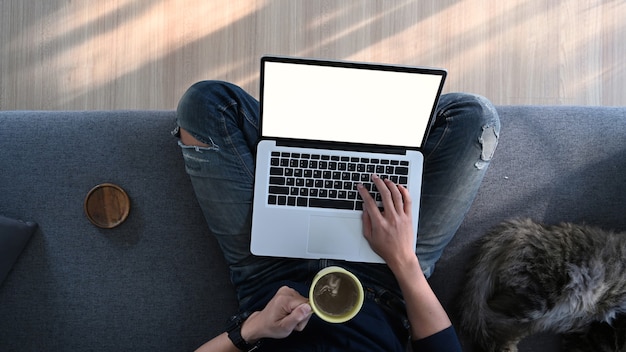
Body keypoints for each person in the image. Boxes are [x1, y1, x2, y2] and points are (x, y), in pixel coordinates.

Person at [174, 79, 500, 351]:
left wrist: (253, 327)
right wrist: (403, 260)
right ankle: (350, 149)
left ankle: (325, 148)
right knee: (476, 118)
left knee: (205, 103)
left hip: (269, 280)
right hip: (386, 278)